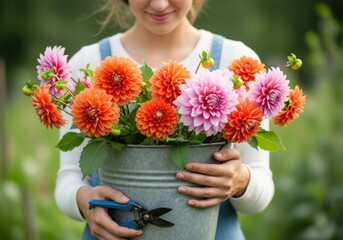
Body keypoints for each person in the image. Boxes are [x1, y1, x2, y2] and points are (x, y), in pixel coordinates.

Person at [55, 0, 274, 239]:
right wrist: (83, 200)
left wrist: (242, 182)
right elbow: (69, 178)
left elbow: (261, 190)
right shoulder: (89, 61)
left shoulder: (237, 60)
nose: (159, 5)